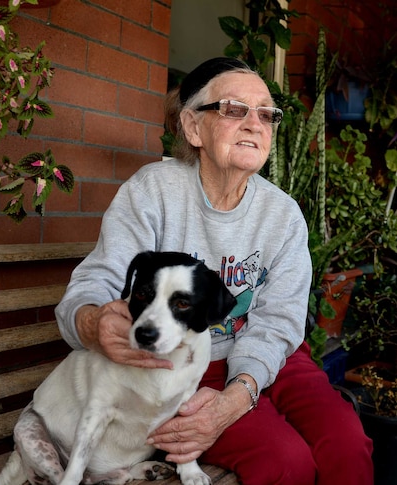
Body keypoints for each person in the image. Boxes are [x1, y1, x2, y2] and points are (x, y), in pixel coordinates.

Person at [52, 57, 374, 484]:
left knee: (347, 442)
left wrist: (239, 393)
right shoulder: (153, 192)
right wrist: (93, 323)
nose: (254, 123)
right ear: (192, 127)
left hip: (271, 354)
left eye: (266, 113)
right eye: (234, 109)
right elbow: (95, 283)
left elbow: (279, 321)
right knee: (284, 462)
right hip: (182, 366)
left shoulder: (283, 214)